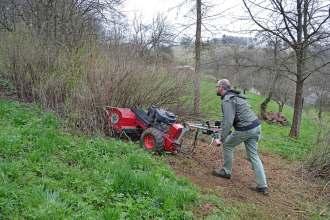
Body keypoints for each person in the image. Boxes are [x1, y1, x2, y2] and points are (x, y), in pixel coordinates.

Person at [213, 79, 269, 195]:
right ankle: (262, 186)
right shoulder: (236, 96)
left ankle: (226, 171)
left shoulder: (227, 100)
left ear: (222, 87)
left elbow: (228, 121)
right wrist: (223, 128)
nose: (216, 88)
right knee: (253, 155)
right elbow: (229, 119)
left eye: (217, 86)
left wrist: (221, 138)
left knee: (228, 144)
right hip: (256, 127)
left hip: (245, 129)